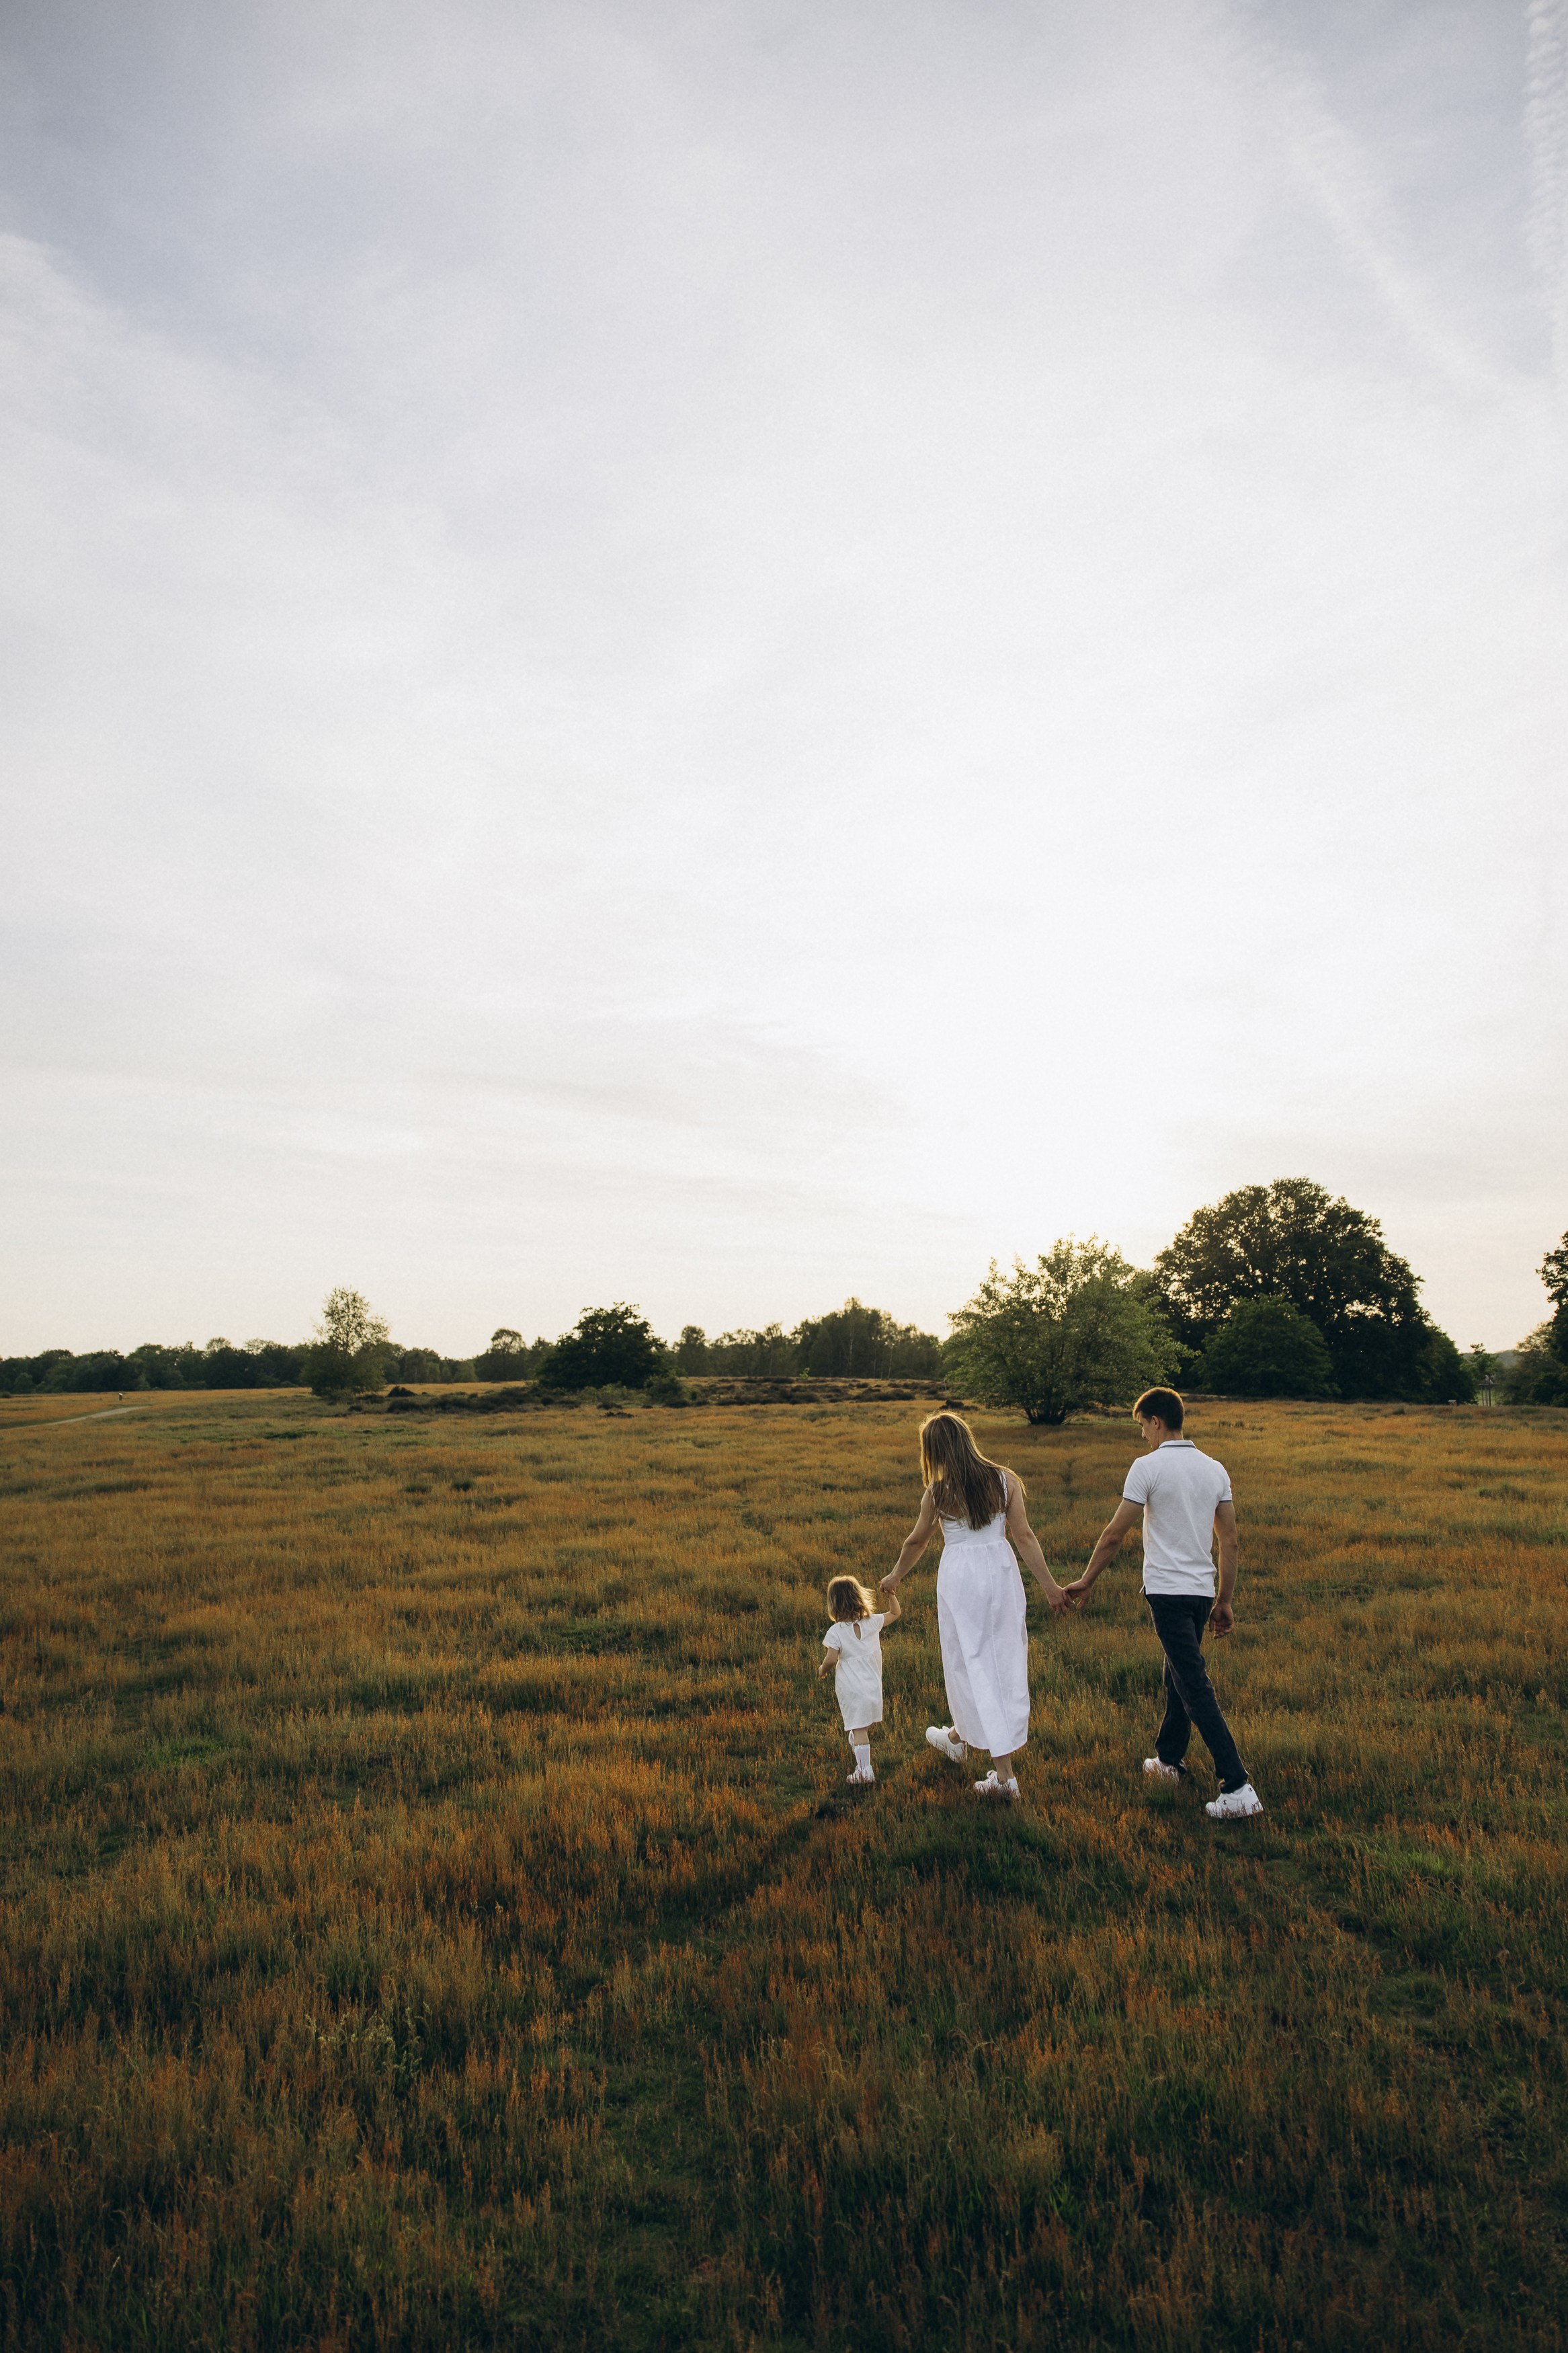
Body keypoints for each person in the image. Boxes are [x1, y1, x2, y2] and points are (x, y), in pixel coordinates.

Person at [1064, 1386, 1263, 1821]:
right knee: (1177, 1674)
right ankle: (1168, 1762)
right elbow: (1228, 1539)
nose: (1141, 1436)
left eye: (1141, 1426)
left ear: (1156, 1421)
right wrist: (1224, 1600)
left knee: (1192, 1683)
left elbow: (1115, 1533)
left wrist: (1085, 1580)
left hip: (1168, 1593)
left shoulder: (1147, 1467)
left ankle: (1237, 1784)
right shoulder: (1214, 1469)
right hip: (1201, 1591)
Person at [880, 1410, 1067, 1803]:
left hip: (961, 1578)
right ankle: (956, 1737)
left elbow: (916, 1542)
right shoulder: (1005, 1479)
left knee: (972, 1663)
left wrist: (895, 1577)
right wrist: (1050, 1588)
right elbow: (1025, 1536)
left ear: (934, 1451)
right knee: (998, 1659)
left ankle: (1005, 1777)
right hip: (1000, 1574)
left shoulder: (939, 1492)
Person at [819, 1576, 901, 1783]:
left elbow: (831, 1659)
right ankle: (860, 1757)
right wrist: (891, 1594)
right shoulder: (872, 1623)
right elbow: (895, 1613)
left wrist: (822, 1670)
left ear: (834, 1604)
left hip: (853, 1690)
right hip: (872, 1686)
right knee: (859, 1727)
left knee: (859, 1729)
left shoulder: (836, 1631)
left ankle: (865, 1771)